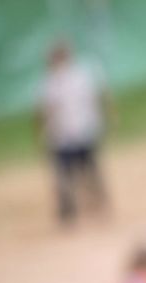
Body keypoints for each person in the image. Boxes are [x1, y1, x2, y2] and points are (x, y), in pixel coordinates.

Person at [37, 41, 110, 224]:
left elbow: (45, 111)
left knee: (78, 172)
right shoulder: (72, 77)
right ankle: (77, 206)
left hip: (73, 134)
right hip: (72, 134)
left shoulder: (56, 82)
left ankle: (86, 204)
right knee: (77, 172)